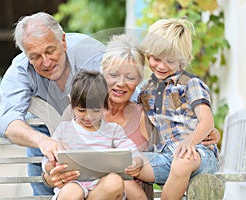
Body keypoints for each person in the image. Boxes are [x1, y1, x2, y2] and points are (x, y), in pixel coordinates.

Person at [44, 33, 220, 199]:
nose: (120, 83)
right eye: (113, 75)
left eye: (130, 77)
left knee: (114, 181)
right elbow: (54, 160)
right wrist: (50, 176)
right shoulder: (80, 110)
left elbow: (174, 141)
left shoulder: (146, 112)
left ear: (138, 81)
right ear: (103, 71)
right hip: (77, 192)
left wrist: (209, 133)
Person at [0, 12, 105, 195]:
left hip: (97, 134)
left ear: (63, 41)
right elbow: (8, 121)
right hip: (45, 138)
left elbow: (124, 100)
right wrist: (43, 142)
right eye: (35, 56)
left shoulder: (91, 53)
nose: (46, 62)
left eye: (50, 51)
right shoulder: (19, 70)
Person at [136, 18, 220, 200]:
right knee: (127, 163)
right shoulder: (146, 90)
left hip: (198, 154)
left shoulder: (191, 84)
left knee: (182, 162)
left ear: (184, 60)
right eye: (156, 58)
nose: (161, 66)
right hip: (166, 156)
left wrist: (189, 142)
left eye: (170, 61)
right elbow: (142, 123)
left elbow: (207, 121)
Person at [42, 70, 144, 200]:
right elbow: (46, 161)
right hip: (73, 185)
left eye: (95, 111)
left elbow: (132, 153)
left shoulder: (113, 131)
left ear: (105, 103)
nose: (88, 117)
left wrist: (135, 162)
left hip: (101, 190)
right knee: (73, 191)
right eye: (81, 110)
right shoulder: (64, 130)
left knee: (114, 181)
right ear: (71, 103)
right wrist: (52, 165)